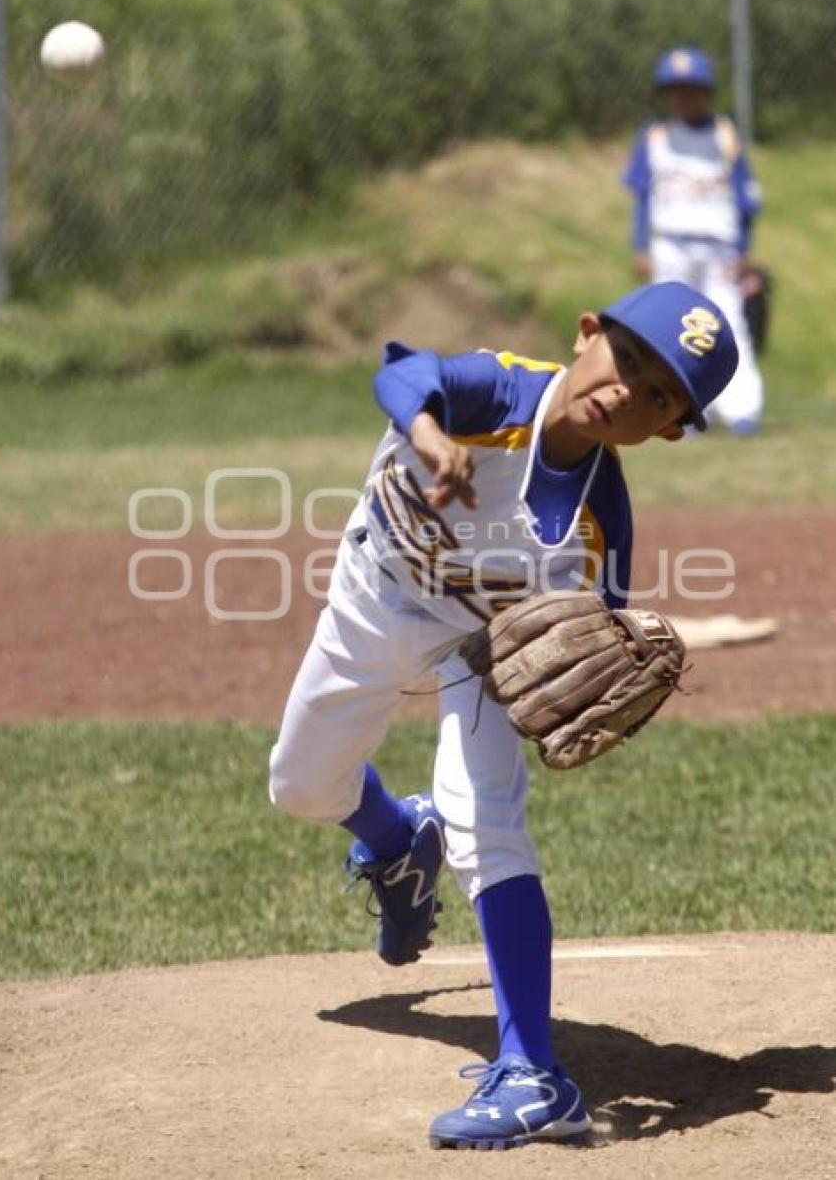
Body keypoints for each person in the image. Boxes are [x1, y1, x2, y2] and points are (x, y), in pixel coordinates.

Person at [269, 281, 738, 1150]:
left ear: (669, 428)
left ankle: (535, 1074)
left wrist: (593, 679)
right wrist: (430, 434)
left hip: (477, 650)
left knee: (487, 820)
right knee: (300, 785)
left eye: (659, 394)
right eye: (626, 358)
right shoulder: (501, 391)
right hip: (372, 598)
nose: (627, 390)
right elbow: (405, 373)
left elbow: (587, 639)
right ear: (587, 332)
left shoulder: (604, 517)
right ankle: (398, 840)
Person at [623, 47, 763, 436]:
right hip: (670, 244)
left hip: (719, 247)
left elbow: (746, 199)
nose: (684, 97)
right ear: (666, 94)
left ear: (706, 91)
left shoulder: (724, 135)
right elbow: (643, 196)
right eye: (675, 89)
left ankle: (742, 411)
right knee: (666, 331)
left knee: (728, 324)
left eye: (692, 89)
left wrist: (744, 248)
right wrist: (640, 245)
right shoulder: (655, 136)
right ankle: (674, 415)